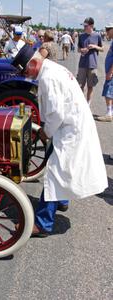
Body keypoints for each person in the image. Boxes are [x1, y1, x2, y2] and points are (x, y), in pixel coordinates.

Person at [12, 44, 108, 236]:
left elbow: (57, 113)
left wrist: (45, 132)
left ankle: (42, 224)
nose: (26, 75)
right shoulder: (52, 68)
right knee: (61, 167)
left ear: (32, 64)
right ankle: (62, 200)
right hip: (73, 124)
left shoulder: (48, 77)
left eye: (25, 71)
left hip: (69, 128)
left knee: (55, 173)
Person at [77, 17, 104, 105]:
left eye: (86, 26)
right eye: (83, 26)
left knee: (90, 86)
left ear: (91, 25)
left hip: (92, 64)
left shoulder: (97, 36)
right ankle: (81, 103)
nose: (84, 27)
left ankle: (88, 104)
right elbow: (78, 49)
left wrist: (95, 46)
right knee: (80, 85)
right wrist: (82, 50)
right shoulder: (81, 36)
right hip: (82, 64)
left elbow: (102, 49)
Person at [95, 23, 113, 122]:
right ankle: (111, 112)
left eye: (108, 30)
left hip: (111, 72)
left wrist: (110, 71)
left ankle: (109, 114)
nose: (106, 32)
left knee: (108, 91)